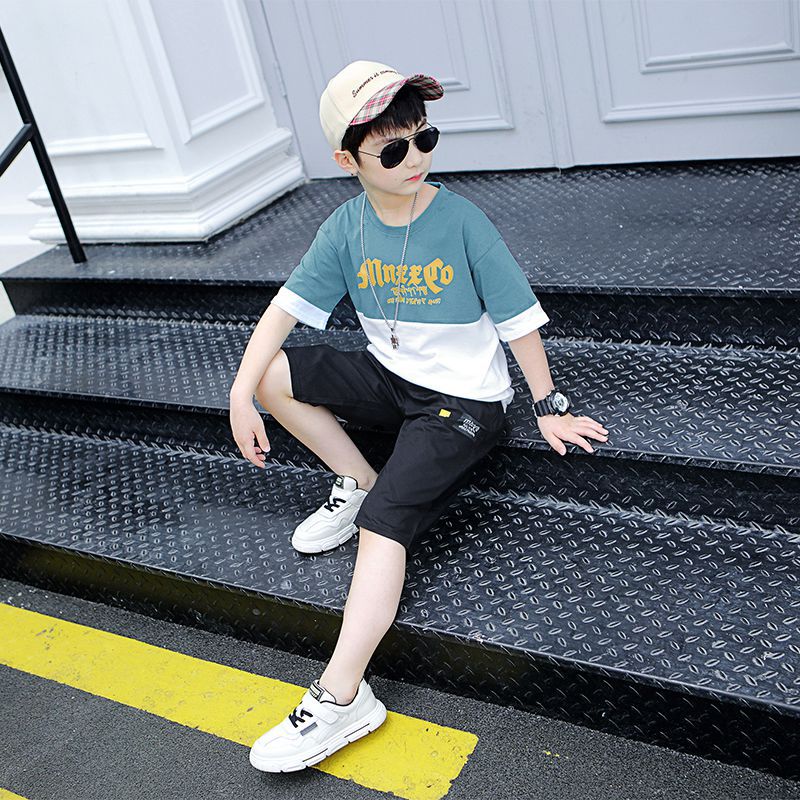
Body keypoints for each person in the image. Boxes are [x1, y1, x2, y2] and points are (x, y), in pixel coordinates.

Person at [229, 60, 608, 773]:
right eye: (393, 149)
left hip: (464, 402)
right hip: (394, 376)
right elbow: (284, 310)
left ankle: (343, 697)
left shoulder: (461, 220)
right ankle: (358, 480)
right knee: (274, 375)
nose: (415, 158)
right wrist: (240, 394)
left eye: (425, 138)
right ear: (348, 160)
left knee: (384, 527)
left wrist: (548, 404)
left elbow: (519, 319)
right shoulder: (345, 226)